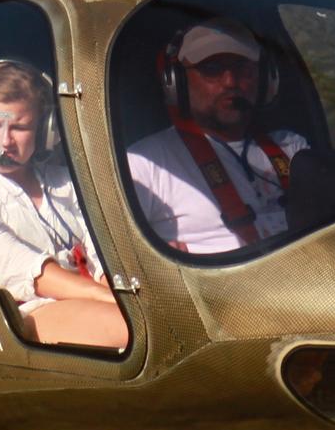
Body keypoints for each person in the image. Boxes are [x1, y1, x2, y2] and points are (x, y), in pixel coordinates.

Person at [0, 60, 128, 350]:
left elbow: (103, 244)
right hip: (18, 315)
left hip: (89, 297)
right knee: (134, 328)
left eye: (20, 127)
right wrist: (103, 296)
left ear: (44, 130)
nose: (5, 141)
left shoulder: (63, 182)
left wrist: (110, 283)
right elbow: (14, 265)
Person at [127, 19, 309, 254]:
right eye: (211, 70)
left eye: (243, 69)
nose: (230, 82)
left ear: (265, 79)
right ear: (176, 82)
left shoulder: (292, 148)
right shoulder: (146, 163)